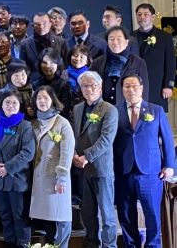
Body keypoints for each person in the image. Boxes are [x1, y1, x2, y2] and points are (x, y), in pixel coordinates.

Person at [113, 74, 175, 248]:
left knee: (152, 215)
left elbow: (167, 140)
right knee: (126, 215)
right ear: (122, 89)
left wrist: (169, 165)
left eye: (134, 86)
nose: (131, 90)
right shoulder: (114, 111)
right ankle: (131, 245)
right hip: (123, 170)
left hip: (150, 172)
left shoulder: (156, 110)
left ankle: (153, 245)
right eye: (127, 86)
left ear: (141, 88)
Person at [0, 90, 35, 248]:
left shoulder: (25, 126)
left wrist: (8, 168)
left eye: (14, 103)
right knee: (5, 216)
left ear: (19, 106)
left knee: (20, 217)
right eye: (7, 102)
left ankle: (23, 244)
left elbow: (28, 152)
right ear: (1, 105)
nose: (10, 106)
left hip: (17, 179)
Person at [72, 71, 118, 248]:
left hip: (101, 169)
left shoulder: (109, 109)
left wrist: (86, 157)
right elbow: (75, 136)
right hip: (82, 169)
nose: (88, 89)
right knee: (88, 213)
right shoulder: (77, 108)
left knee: (107, 214)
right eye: (85, 86)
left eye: (92, 85)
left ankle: (109, 245)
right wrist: (74, 155)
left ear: (100, 87)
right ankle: (91, 244)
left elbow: (106, 139)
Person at [29, 86, 75, 248]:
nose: (42, 101)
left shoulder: (62, 123)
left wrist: (62, 177)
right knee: (47, 216)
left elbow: (67, 152)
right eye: (39, 98)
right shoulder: (33, 123)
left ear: (53, 100)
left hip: (55, 177)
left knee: (60, 215)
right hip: (37, 176)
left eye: (46, 98)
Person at [131, 3, 176, 112]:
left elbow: (170, 63)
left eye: (146, 14)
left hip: (157, 85)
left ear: (153, 17)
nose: (142, 17)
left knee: (155, 116)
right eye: (139, 14)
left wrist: (168, 85)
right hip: (135, 86)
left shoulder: (165, 37)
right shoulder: (130, 36)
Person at [91, 26, 149, 106]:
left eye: (119, 39)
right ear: (107, 42)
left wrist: (141, 109)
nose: (115, 42)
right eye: (111, 39)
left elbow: (144, 90)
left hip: (128, 107)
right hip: (103, 107)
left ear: (126, 42)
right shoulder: (97, 62)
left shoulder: (138, 62)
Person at [19, 12, 68, 83]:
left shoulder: (61, 42)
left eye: (44, 23)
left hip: (58, 83)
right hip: (34, 83)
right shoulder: (25, 44)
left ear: (50, 24)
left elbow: (67, 65)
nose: (41, 27)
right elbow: (23, 67)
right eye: (37, 24)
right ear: (32, 25)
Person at [35, 48, 72, 119]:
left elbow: (65, 110)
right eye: (44, 62)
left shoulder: (64, 84)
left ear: (58, 64)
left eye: (52, 62)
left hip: (58, 120)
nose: (48, 66)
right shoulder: (36, 84)